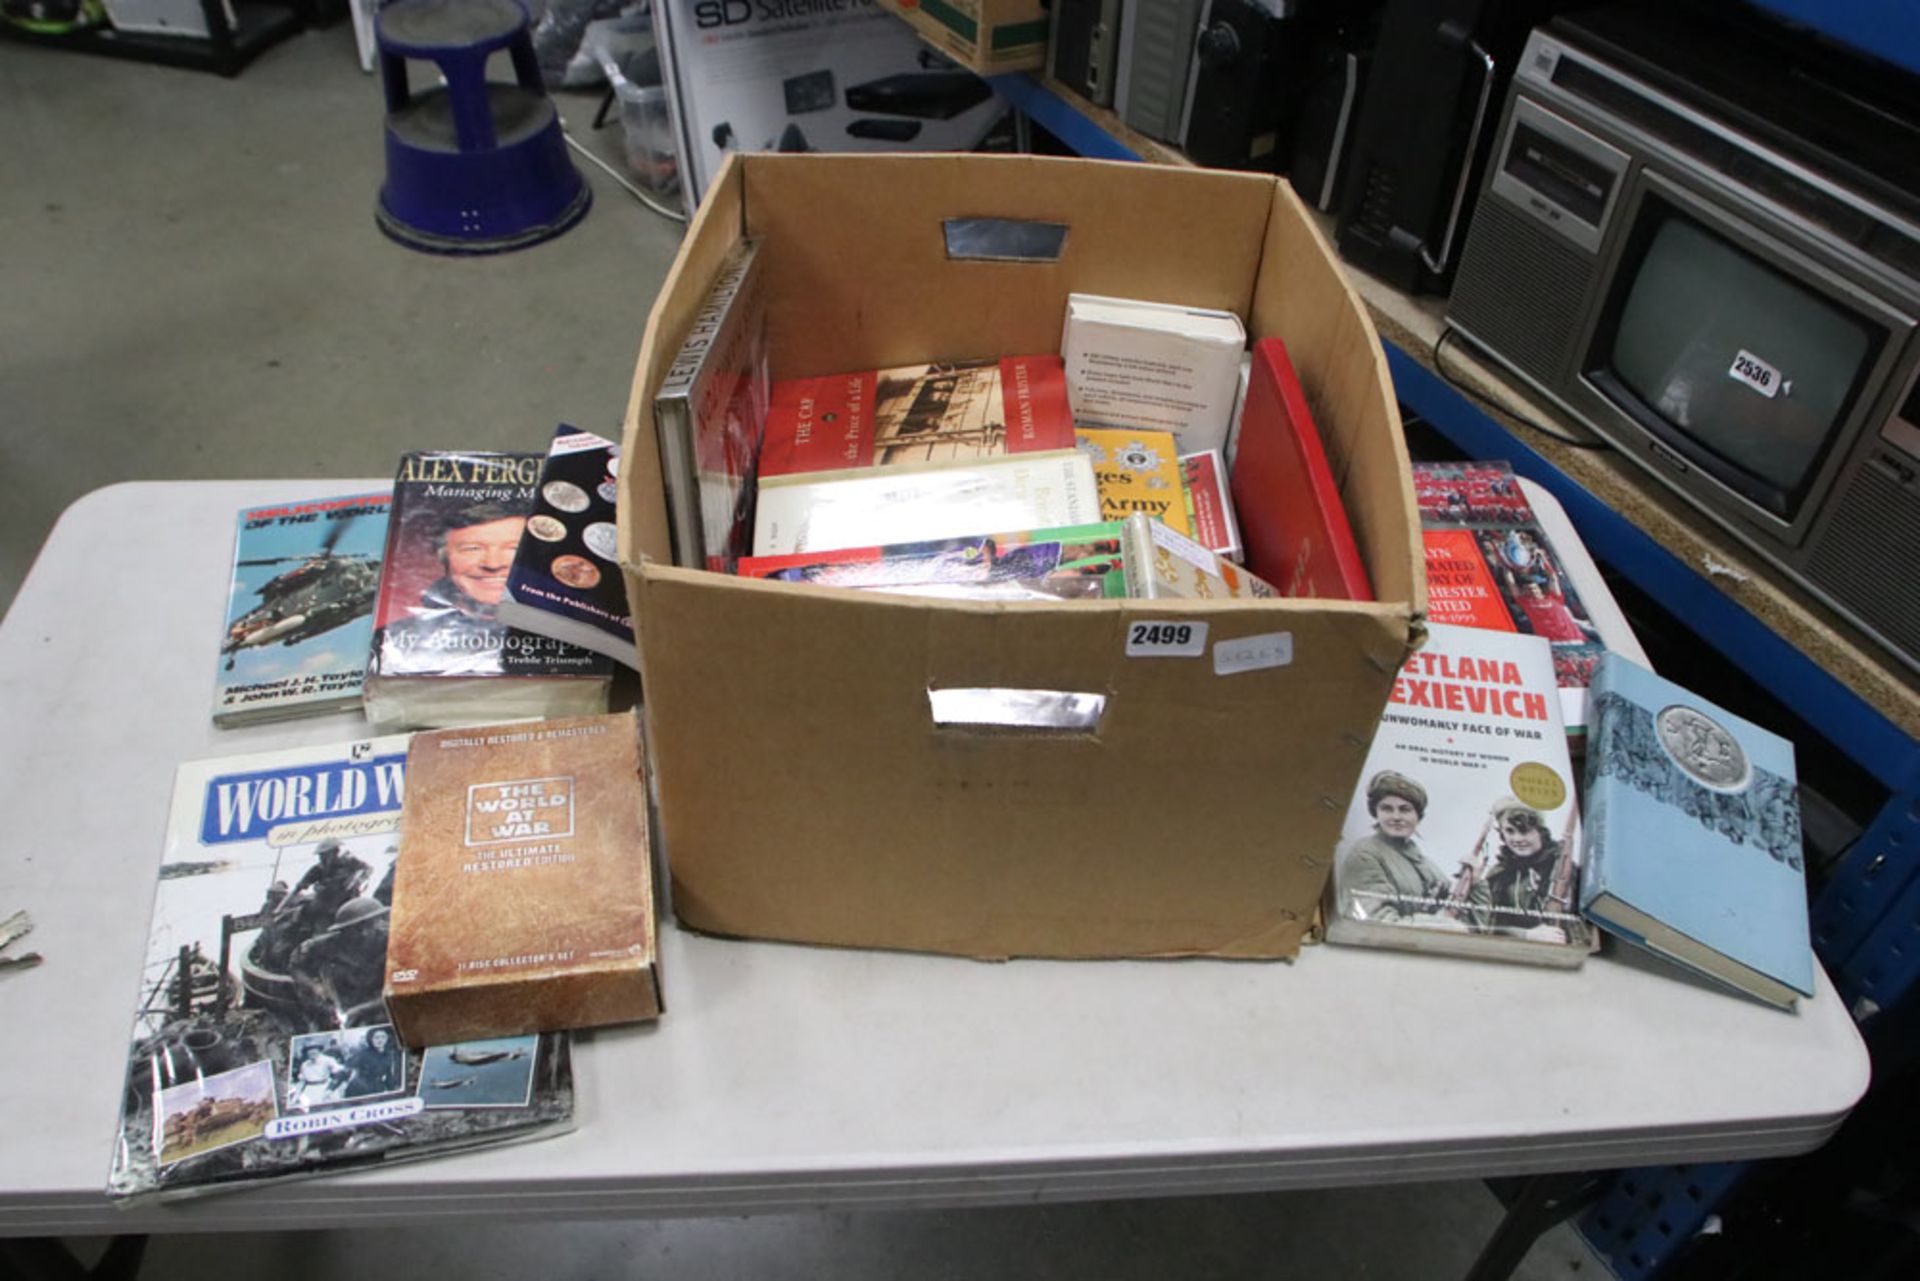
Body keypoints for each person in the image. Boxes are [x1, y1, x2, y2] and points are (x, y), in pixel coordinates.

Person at [376, 501, 527, 673]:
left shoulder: (562, 634)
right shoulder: (392, 641)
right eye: (472, 549)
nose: (493, 564)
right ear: (443, 558)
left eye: (514, 548)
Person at [1337, 771, 1451, 923]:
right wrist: (1441, 923)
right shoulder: (1365, 854)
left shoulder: (1427, 864)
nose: (1396, 817)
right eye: (1387, 809)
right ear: (1376, 813)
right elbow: (1375, 922)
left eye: (1405, 809)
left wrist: (1476, 884)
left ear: (1418, 816)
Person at [1466, 799, 1573, 937]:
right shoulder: (1498, 875)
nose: (1517, 838)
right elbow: (1488, 925)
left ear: (1541, 832)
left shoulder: (1564, 868)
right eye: (1510, 831)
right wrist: (1477, 885)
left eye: (1525, 831)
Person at [290, 897, 390, 1027]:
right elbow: (295, 965)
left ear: (377, 921)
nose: (364, 933)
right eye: (356, 929)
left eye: (369, 926)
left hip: (382, 1004)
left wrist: (362, 1009)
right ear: (344, 930)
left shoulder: (392, 940)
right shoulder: (324, 945)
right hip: (344, 1002)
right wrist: (315, 987)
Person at [344, 1026, 405, 1098]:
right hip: (359, 1088)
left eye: (383, 1037)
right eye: (376, 1037)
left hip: (378, 1088)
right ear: (370, 1039)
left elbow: (388, 1074)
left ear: (387, 1038)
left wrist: (393, 1091)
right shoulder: (363, 1053)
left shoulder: (389, 1054)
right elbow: (348, 1067)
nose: (380, 1040)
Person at [290, 1042, 348, 1110]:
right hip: (310, 1090)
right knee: (311, 1110)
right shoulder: (305, 1065)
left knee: (328, 1108)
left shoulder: (327, 1060)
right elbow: (302, 1081)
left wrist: (330, 1089)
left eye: (314, 1049)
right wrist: (296, 1095)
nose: (312, 1052)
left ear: (319, 1050)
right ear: (306, 1053)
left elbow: (339, 1072)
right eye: (309, 1050)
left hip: (324, 1087)